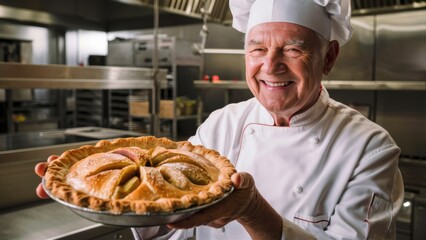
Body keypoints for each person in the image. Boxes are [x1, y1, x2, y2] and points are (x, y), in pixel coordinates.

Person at [36, 0, 404, 239]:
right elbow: (170, 218)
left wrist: (253, 211)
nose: (271, 65)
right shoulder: (221, 124)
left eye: (293, 48)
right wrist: (106, 187)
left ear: (328, 58)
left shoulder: (369, 150)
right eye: (257, 48)